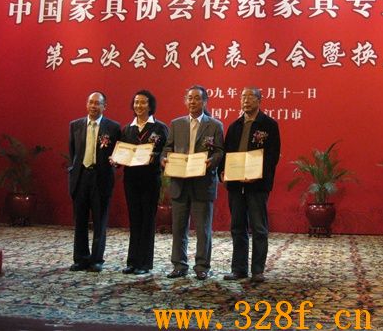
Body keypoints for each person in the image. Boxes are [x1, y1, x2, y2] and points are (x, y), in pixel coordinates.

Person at [162, 85, 224, 280]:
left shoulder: (214, 125)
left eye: (197, 98)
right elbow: (167, 148)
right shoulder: (176, 124)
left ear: (204, 102)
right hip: (180, 183)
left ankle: (202, 266)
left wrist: (211, 161)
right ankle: (179, 265)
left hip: (203, 183)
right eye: (190, 98)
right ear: (185, 101)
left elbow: (220, 151)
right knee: (178, 227)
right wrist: (163, 159)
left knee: (203, 229)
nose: (193, 102)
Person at [220, 87, 280, 283]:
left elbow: (272, 156)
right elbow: (226, 153)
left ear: (259, 100)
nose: (245, 100)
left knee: (259, 228)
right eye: (242, 97)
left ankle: (257, 270)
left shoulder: (269, 125)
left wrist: (258, 174)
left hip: (257, 186)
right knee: (237, 227)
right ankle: (239, 269)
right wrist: (223, 171)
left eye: (250, 97)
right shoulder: (234, 126)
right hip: (236, 184)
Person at [68, 91, 121, 272]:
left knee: (100, 221)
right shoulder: (75, 125)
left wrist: (116, 163)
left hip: (101, 178)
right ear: (86, 104)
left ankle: (97, 259)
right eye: (91, 102)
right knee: (80, 220)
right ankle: (80, 258)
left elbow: (118, 152)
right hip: (81, 177)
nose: (93, 106)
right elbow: (73, 152)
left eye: (97, 103)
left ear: (104, 106)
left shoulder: (113, 127)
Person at [119, 90, 168, 276]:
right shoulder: (127, 129)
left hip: (150, 179)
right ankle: (132, 261)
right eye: (136, 102)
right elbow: (121, 152)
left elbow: (166, 152)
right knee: (134, 219)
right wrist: (116, 160)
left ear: (150, 105)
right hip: (131, 180)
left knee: (147, 220)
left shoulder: (160, 128)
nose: (139, 106)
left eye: (143, 102)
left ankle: (144, 263)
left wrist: (155, 156)